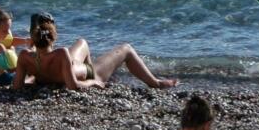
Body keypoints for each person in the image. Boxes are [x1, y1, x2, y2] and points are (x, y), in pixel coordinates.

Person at [12, 12, 177, 91]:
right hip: (88, 73)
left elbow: (17, 86)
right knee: (126, 49)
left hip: (58, 68)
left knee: (81, 42)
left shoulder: (25, 57)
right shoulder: (61, 53)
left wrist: (35, 79)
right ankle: (156, 83)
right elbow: (73, 86)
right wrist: (93, 82)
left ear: (32, 38)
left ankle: (105, 72)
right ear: (53, 36)